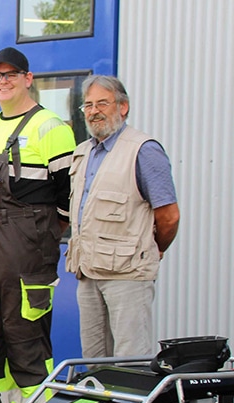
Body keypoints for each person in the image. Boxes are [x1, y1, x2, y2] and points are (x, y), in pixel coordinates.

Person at [0, 47, 76, 403]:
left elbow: (68, 195)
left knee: (25, 334)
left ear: (28, 79)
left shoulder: (51, 127)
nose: (3, 81)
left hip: (26, 245)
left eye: (11, 74)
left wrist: (40, 233)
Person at [66, 75, 180, 359]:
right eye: (88, 105)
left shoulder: (144, 150)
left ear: (123, 107)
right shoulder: (83, 153)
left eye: (102, 103)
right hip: (87, 272)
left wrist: (154, 248)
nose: (94, 111)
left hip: (127, 275)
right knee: (94, 359)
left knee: (131, 360)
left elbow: (169, 216)